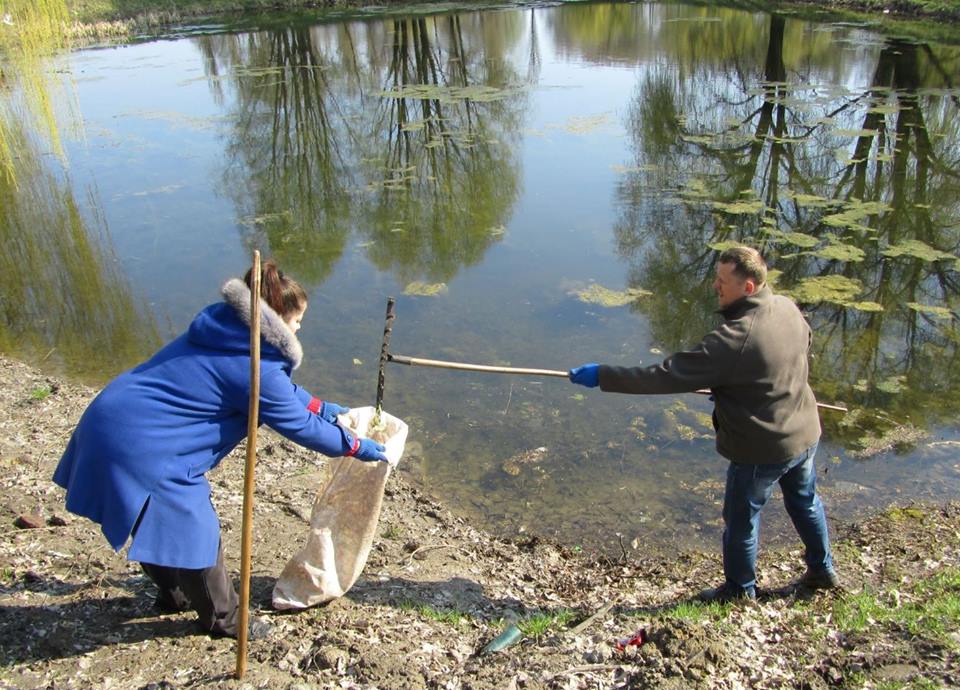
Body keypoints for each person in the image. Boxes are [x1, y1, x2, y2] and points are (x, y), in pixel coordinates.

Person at [53, 259, 388, 638]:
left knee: (153, 515)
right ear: (276, 320)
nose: (300, 328)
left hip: (111, 418)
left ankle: (175, 594)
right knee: (194, 530)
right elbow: (297, 425)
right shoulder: (253, 364)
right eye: (297, 321)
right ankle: (225, 619)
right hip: (147, 445)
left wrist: (321, 408)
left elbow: (281, 395)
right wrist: (355, 445)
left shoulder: (229, 330)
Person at [569, 245, 838, 602]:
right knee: (805, 501)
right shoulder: (788, 307)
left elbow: (662, 377)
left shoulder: (733, 339)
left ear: (748, 288)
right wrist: (740, 386)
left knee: (741, 519)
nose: (716, 287)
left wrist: (602, 375)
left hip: (763, 447)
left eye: (723, 281)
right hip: (805, 432)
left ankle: (740, 591)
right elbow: (801, 345)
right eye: (716, 278)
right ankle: (823, 570)